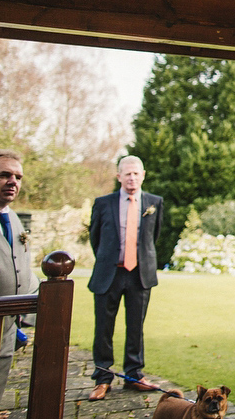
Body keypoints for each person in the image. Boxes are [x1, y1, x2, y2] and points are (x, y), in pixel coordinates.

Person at [87, 155, 163, 401]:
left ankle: (133, 375)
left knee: (135, 328)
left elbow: (154, 237)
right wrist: (109, 260)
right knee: (103, 329)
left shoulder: (154, 203)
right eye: (126, 173)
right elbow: (95, 239)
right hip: (110, 273)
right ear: (118, 176)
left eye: (136, 173)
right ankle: (102, 378)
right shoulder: (103, 203)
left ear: (143, 175)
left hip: (139, 275)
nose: (131, 177)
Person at [0, 150, 38, 419]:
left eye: (17, 177)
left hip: (5, 333)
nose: (13, 181)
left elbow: (23, 270)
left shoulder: (14, 219)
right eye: (3, 175)